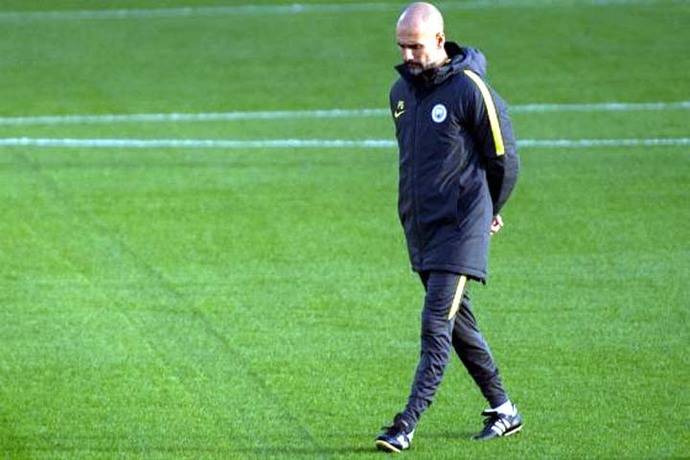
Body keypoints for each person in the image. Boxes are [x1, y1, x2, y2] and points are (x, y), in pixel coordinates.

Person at [375, 2, 522, 453]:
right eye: (402, 46)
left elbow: (505, 159)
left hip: (461, 228)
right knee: (460, 327)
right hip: (421, 229)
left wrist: (489, 209)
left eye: (416, 46)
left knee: (436, 324)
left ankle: (406, 424)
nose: (408, 55)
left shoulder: (469, 89)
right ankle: (504, 409)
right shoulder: (400, 93)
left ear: (439, 40)